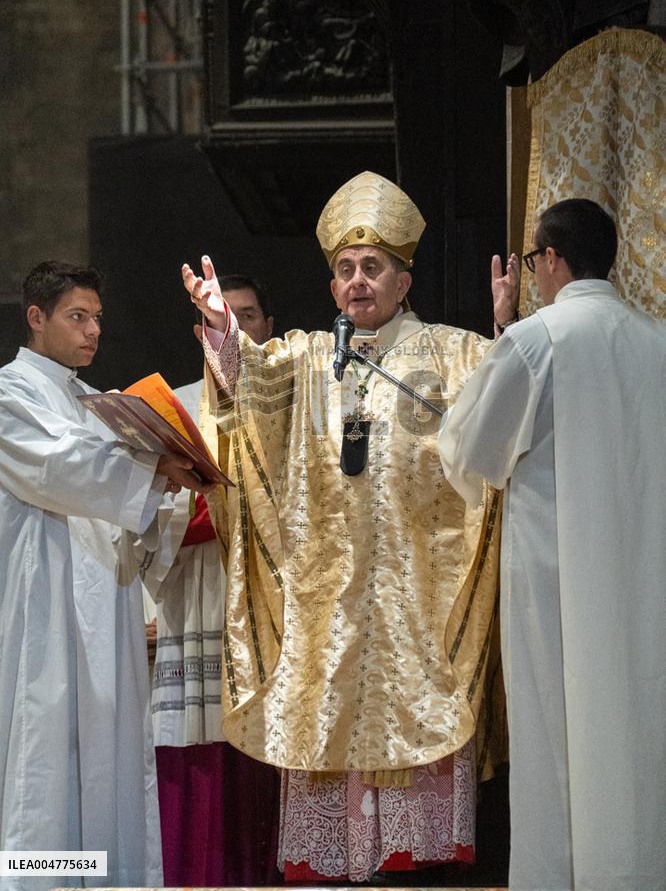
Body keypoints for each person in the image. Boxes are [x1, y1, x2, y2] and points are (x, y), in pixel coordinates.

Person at [182, 170, 519, 883]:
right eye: (344, 270)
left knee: (416, 816)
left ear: (404, 279)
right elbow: (249, 392)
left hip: (418, 597)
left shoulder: (454, 353)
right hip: (328, 598)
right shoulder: (306, 357)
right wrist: (222, 329)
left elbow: (506, 423)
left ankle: (416, 862)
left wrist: (508, 336)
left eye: (372, 268)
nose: (357, 282)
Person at [438, 198, 666, 891]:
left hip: (557, 581)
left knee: (557, 731)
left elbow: (475, 449)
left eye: (534, 260)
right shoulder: (656, 340)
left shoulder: (540, 340)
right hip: (645, 576)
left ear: (553, 258)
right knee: (638, 722)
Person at [0, 261, 208, 890]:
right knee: (49, 754)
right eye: (77, 317)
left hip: (104, 607)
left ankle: (103, 881)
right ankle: (43, 881)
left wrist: (170, 481)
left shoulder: (90, 402)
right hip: (47, 608)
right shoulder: (11, 392)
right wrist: (152, 468)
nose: (93, 331)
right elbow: (64, 468)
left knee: (107, 757)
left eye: (97, 319)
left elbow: (125, 503)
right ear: (36, 318)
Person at [143, 274, 281, 886]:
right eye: (222, 317)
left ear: (267, 328)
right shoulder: (176, 403)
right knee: (196, 742)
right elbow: (146, 509)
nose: (236, 324)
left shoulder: (289, 410)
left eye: (248, 314)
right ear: (202, 330)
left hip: (270, 600)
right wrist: (204, 506)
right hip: (199, 591)